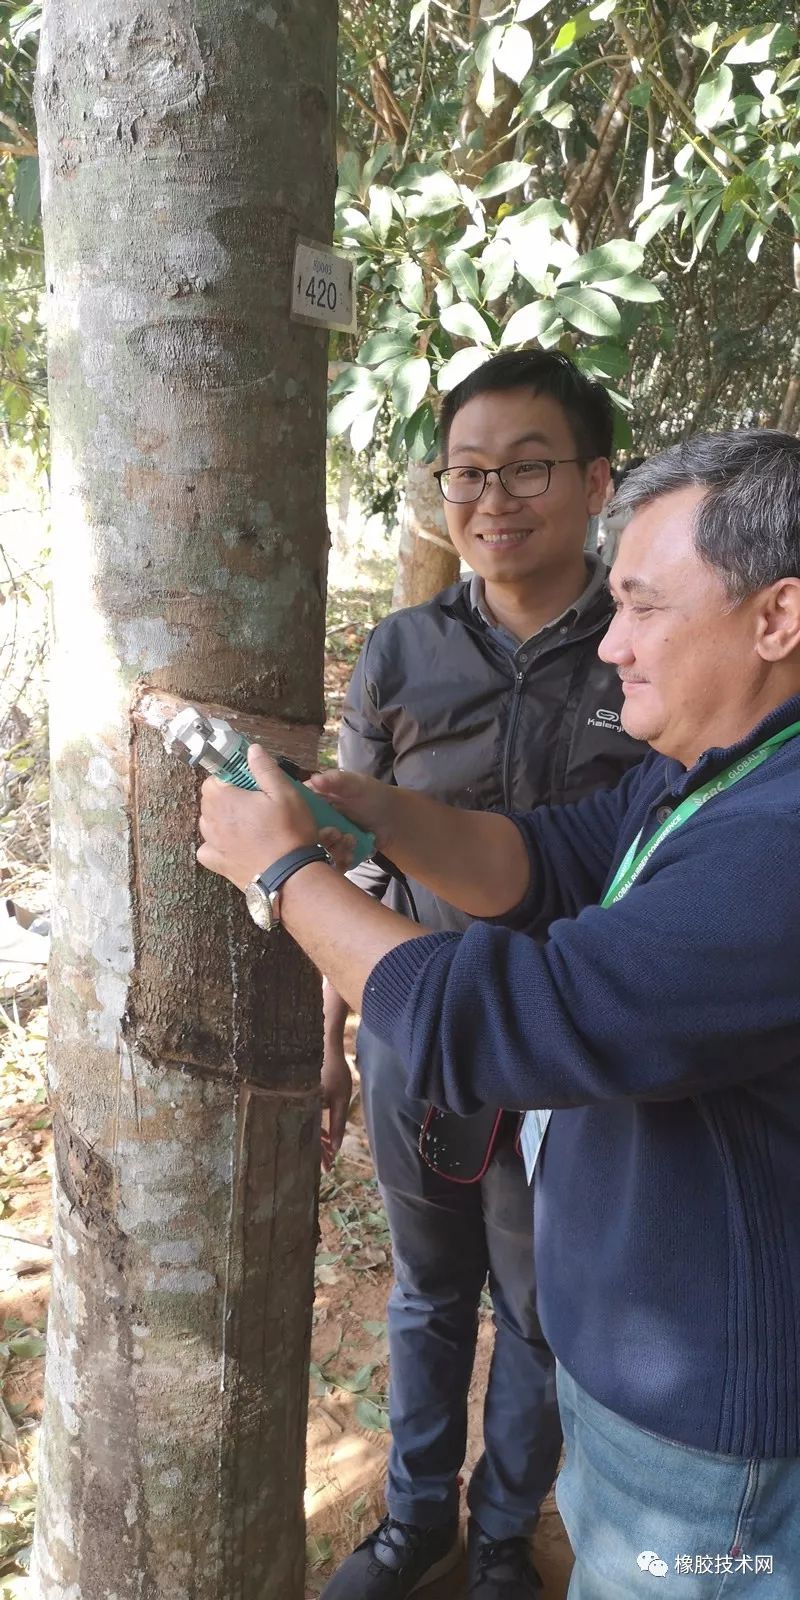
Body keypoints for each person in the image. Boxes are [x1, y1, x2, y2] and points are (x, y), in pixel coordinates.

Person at [197, 426, 800, 1598]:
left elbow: (519, 1017)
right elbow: (544, 858)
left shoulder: (777, 842)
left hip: (712, 1439)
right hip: (646, 1377)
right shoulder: (719, 771)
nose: (611, 645)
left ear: (775, 618)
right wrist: (371, 814)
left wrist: (284, 880)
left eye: (640, 608)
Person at [319, 350, 645, 1599]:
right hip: (418, 1017)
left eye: (526, 467)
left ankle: (504, 1532)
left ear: (595, 480)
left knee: (540, 1296)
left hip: (573, 1034)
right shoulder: (399, 651)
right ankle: (416, 1525)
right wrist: (331, 1044)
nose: (492, 498)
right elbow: (340, 857)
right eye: (466, 472)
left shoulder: (641, 637)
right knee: (428, 1285)